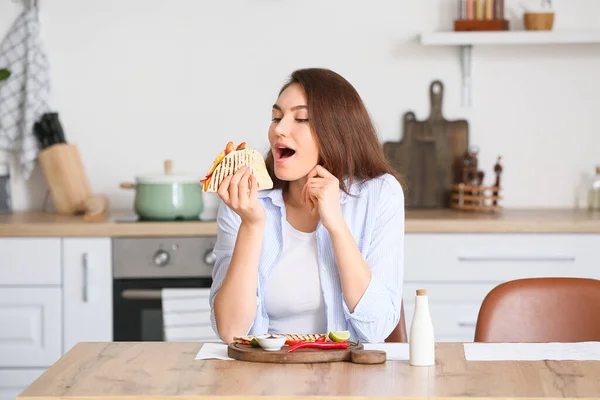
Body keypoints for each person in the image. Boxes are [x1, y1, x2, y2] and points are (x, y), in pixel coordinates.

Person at [209, 68, 405, 344]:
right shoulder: (245, 199)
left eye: (300, 119)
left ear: (336, 133)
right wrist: (252, 226)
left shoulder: (380, 193)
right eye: (276, 117)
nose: (279, 129)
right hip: (264, 374)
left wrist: (336, 225)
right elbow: (230, 332)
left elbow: (376, 329)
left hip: (347, 375)